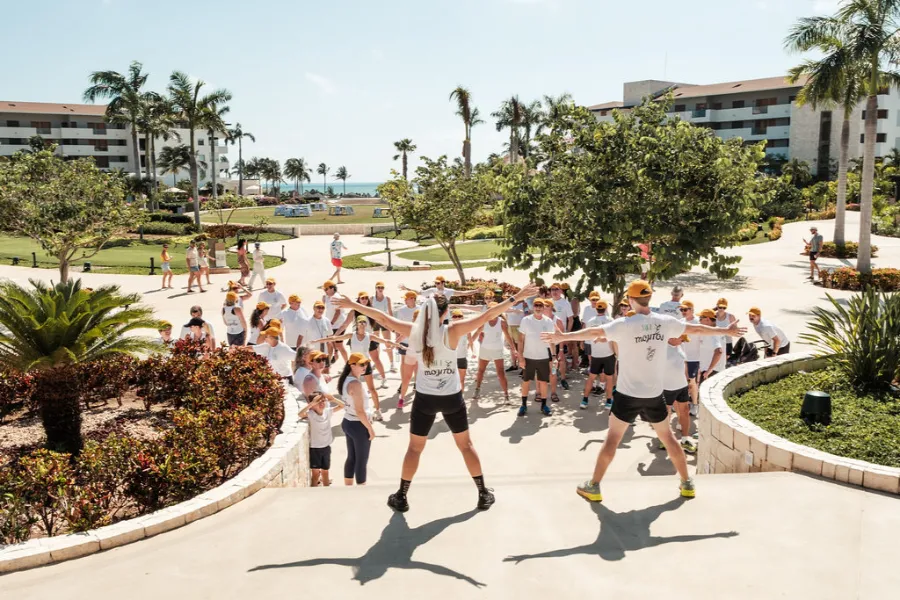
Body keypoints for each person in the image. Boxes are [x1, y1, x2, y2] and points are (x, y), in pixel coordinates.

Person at [332, 283, 539, 512]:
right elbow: (489, 313)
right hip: (451, 397)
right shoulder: (453, 331)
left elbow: (384, 319)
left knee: (414, 449)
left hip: (425, 400)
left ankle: (401, 495)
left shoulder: (415, 331)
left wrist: (353, 305)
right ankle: (482, 493)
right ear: (445, 313)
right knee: (466, 445)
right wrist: (517, 297)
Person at [541, 280, 745, 502]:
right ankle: (687, 484)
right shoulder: (665, 322)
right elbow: (696, 329)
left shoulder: (623, 325)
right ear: (649, 298)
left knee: (612, 440)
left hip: (627, 395)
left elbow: (592, 333)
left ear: (630, 299)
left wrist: (562, 337)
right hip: (654, 395)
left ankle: (594, 486)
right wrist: (726, 330)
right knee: (668, 437)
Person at [313, 316, 396, 421]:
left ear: (366, 325)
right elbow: (334, 338)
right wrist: (319, 340)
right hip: (352, 365)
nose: (362, 324)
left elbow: (384, 340)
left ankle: (377, 411)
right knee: (347, 389)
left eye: (364, 322)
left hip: (365, 364)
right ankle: (351, 411)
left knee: (372, 389)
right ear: (356, 324)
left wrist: (396, 344)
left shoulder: (369, 336)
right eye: (360, 322)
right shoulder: (351, 335)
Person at [338, 353, 376, 486]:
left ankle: (348, 487)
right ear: (352, 365)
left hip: (348, 422)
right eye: (361, 364)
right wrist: (370, 429)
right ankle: (361, 491)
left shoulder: (347, 380)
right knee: (361, 460)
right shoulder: (355, 383)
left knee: (352, 458)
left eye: (365, 364)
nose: (364, 366)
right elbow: (360, 411)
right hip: (358, 425)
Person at [336, 292, 389, 386]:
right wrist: (336, 334)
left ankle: (384, 379)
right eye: (362, 298)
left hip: (369, 338)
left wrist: (392, 328)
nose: (364, 299)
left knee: (376, 359)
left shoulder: (371, 310)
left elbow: (382, 321)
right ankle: (351, 381)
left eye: (366, 298)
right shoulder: (354, 311)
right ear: (359, 299)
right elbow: (345, 324)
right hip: (356, 338)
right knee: (354, 360)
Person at [517, 298, 556, 417]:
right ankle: (523, 405)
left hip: (543, 357)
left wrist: (554, 357)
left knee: (543, 382)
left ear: (544, 308)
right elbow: (520, 340)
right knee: (526, 381)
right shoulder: (525, 320)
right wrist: (521, 357)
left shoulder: (549, 321)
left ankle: (544, 405)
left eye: (540, 306)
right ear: (532, 307)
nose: (538, 308)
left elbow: (552, 340)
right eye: (536, 305)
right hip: (528, 357)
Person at [473, 302, 516, 402]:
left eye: (494, 310)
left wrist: (514, 349)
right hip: (485, 350)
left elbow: (508, 336)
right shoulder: (484, 321)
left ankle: (506, 395)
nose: (492, 312)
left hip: (497, 350)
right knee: (480, 371)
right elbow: (476, 333)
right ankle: (477, 389)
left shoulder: (502, 322)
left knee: (501, 373)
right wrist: (469, 344)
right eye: (490, 310)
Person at [300, 391, 345, 487]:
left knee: (325, 472)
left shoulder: (328, 412)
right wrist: (311, 404)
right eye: (318, 402)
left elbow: (343, 406)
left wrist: (333, 399)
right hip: (315, 448)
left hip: (326, 447)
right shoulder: (311, 414)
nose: (321, 403)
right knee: (316, 474)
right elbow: (300, 414)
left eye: (323, 401)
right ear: (312, 405)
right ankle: (313, 493)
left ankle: (326, 493)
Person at [663, 335, 696, 454]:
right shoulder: (661, 348)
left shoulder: (680, 346)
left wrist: (688, 381)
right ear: (672, 337)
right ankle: (665, 439)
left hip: (681, 386)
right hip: (666, 387)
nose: (682, 342)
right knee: (666, 414)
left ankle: (685, 439)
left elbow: (684, 364)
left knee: (685, 411)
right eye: (681, 339)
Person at [581, 299, 616, 410]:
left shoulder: (590, 321)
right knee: (609, 379)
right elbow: (612, 337)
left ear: (596, 308)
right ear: (606, 309)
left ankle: (584, 400)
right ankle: (608, 401)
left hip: (595, 354)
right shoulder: (611, 320)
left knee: (591, 377)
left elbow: (587, 336)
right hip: (608, 354)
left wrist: (597, 339)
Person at [394, 291, 420, 407]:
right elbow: (398, 326)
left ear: (413, 299)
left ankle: (415, 383)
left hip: (416, 345)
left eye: (407, 298)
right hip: (405, 343)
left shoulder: (421, 309)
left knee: (417, 367)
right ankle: (404, 382)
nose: (405, 300)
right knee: (405, 366)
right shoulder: (401, 310)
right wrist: (396, 342)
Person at [370, 282, 396, 373]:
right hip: (375, 322)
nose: (380, 289)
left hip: (385, 322)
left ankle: (392, 363)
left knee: (387, 342)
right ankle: (376, 362)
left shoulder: (387, 299)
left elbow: (390, 311)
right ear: (376, 288)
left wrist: (392, 323)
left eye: (382, 287)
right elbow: (370, 311)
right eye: (378, 287)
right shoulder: (372, 298)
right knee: (376, 344)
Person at [322, 280, 348, 363]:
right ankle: (335, 356)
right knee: (330, 343)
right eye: (324, 289)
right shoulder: (327, 297)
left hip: (338, 325)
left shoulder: (336, 297)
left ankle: (348, 364)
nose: (325, 291)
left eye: (326, 289)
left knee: (339, 345)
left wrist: (331, 323)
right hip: (331, 325)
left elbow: (338, 312)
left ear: (332, 288)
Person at [399, 275, 479, 300]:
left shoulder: (449, 291)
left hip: (445, 316)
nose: (436, 284)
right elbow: (419, 292)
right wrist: (407, 288)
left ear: (443, 283)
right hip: (433, 316)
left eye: (438, 283)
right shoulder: (432, 290)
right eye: (436, 283)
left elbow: (463, 293)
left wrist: (476, 291)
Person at [504, 297, 526, 372]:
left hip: (519, 327)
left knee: (520, 348)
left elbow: (527, 313)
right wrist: (515, 310)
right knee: (512, 347)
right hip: (510, 326)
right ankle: (514, 365)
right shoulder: (508, 304)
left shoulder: (523, 304)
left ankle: (523, 366)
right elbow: (505, 312)